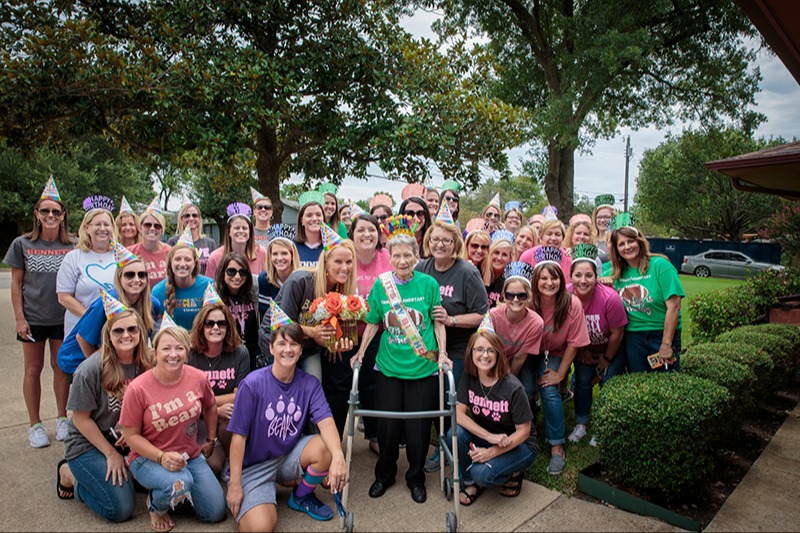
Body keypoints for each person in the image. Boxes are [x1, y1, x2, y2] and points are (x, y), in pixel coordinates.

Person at [351, 225, 449, 504]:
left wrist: (442, 353)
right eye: (397, 255)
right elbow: (373, 322)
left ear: (417, 257)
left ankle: (416, 479)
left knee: (418, 431)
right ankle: (384, 475)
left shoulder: (429, 285)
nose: (402, 261)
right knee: (387, 428)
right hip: (388, 368)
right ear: (390, 257)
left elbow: (437, 322)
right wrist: (361, 352)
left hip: (422, 368)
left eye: (408, 255)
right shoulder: (382, 285)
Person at [226, 320, 348, 531]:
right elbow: (238, 437)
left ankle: (301, 496)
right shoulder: (252, 384)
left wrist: (338, 456)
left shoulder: (309, 383)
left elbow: (326, 422)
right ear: (271, 348)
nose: (288, 349)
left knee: (327, 447)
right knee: (260, 528)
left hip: (287, 455)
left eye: (294, 344)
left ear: (301, 349)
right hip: (253, 466)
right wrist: (235, 485)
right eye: (282, 343)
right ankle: (255, 493)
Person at [120, 318, 226, 532]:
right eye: (166, 348)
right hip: (148, 458)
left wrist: (211, 438)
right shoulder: (138, 389)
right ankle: (156, 505)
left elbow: (210, 406)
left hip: (189, 456)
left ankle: (178, 492)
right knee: (180, 483)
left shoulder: (198, 378)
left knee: (215, 513)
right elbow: (131, 436)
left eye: (179, 348)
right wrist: (161, 456)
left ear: (187, 352)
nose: (173, 354)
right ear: (155, 353)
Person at [56, 304, 153, 521]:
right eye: (118, 330)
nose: (126, 335)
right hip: (89, 443)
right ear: (108, 335)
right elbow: (81, 420)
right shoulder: (90, 369)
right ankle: (70, 476)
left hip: (128, 439)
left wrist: (132, 430)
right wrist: (111, 454)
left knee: (157, 481)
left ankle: (123, 474)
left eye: (132, 329)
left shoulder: (148, 363)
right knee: (120, 509)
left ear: (141, 332)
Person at [258, 225, 356, 434]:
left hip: (309, 347)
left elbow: (330, 329)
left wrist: (335, 343)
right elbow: (282, 326)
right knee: (284, 390)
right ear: (326, 263)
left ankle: (313, 440)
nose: (345, 267)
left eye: (349, 262)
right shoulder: (301, 280)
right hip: (278, 341)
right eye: (338, 262)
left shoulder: (340, 290)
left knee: (314, 388)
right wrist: (312, 333)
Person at [3, 177, 76, 448]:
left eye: (56, 211)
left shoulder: (73, 244)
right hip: (33, 318)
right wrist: (19, 318)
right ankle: (35, 424)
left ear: (63, 215)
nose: (50, 215)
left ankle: (62, 418)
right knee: (33, 369)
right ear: (36, 214)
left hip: (62, 319)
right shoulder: (22, 244)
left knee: (61, 368)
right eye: (45, 210)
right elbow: (16, 283)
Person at [416, 212, 489, 473]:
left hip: (458, 347)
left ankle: (447, 446)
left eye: (446, 240)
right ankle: (427, 443)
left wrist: (451, 320)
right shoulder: (421, 268)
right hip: (427, 345)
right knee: (426, 397)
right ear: (428, 241)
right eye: (435, 239)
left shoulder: (467, 272)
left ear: (455, 243)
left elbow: (482, 314)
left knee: (449, 397)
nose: (440, 244)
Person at [447, 326, 537, 505]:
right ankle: (471, 482)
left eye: (490, 350)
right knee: (454, 434)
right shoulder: (469, 376)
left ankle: (514, 472)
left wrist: (491, 453)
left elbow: (524, 432)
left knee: (482, 474)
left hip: (518, 444)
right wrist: (488, 437)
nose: (485, 355)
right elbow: (458, 414)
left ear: (498, 355)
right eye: (479, 349)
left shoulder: (513, 387)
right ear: (471, 352)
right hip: (490, 436)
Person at [58, 243, 161, 379]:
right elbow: (82, 338)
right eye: (130, 275)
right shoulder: (106, 302)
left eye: (141, 275)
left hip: (116, 358)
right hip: (78, 357)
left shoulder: (152, 303)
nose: (136, 280)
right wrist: (101, 370)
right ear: (119, 278)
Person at [530, 255, 590, 476]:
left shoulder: (571, 303)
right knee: (525, 388)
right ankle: (526, 434)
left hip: (554, 352)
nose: (549, 283)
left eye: (554, 278)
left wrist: (561, 374)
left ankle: (557, 445)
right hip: (527, 351)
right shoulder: (528, 300)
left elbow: (574, 343)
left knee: (548, 389)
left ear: (561, 280)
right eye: (544, 278)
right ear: (536, 281)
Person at [605, 212, 684, 373]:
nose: (627, 247)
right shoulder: (614, 272)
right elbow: (586, 279)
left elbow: (674, 307)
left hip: (663, 332)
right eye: (621, 244)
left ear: (639, 242)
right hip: (634, 337)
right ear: (616, 249)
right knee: (638, 379)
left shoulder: (660, 266)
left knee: (666, 378)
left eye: (631, 241)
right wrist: (601, 280)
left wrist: (666, 343)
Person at [566, 244, 627, 445]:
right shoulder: (565, 296)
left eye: (589, 275)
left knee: (608, 382)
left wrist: (607, 358)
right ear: (571, 276)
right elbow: (566, 329)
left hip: (611, 348)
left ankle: (604, 425)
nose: (583, 281)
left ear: (596, 276)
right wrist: (582, 351)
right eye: (578, 275)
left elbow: (618, 333)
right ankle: (581, 422)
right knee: (583, 381)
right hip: (582, 348)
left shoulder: (610, 298)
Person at [188, 299, 250, 476]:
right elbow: (186, 399)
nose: (215, 328)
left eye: (221, 323)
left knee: (230, 416)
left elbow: (239, 395)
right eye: (209, 323)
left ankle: (233, 460)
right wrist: (213, 410)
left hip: (226, 419)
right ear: (201, 326)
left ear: (228, 327)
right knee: (212, 465)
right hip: (198, 418)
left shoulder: (240, 353)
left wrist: (210, 406)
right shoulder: (190, 355)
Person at [350, 213, 393, 455]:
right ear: (352, 235)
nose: (367, 234)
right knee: (345, 386)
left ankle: (375, 434)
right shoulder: (346, 256)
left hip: (379, 332)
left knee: (373, 385)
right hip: (345, 333)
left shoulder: (387, 257)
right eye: (361, 230)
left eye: (372, 230)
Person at [57, 196, 118, 337]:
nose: (102, 228)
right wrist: (92, 318)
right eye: (97, 224)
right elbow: (64, 297)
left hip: (114, 328)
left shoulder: (121, 256)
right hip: (80, 327)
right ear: (87, 228)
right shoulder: (73, 257)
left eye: (106, 224)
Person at [489, 262, 543, 411]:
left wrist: (508, 381)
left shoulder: (536, 323)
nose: (515, 300)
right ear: (503, 296)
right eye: (510, 295)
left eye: (521, 295)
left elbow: (520, 357)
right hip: (495, 358)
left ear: (529, 297)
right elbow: (487, 348)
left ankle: (529, 416)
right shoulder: (493, 316)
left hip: (520, 358)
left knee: (527, 390)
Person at [152, 237, 214, 330]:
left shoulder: (209, 286)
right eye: (177, 259)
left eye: (187, 259)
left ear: (195, 263)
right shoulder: (158, 291)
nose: (182, 264)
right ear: (170, 263)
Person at [214, 252, 261, 369]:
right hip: (227, 352)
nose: (237, 277)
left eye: (242, 272)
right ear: (223, 272)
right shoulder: (214, 294)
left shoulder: (255, 289)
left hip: (254, 351)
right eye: (231, 271)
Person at [206, 203, 268, 280]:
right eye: (237, 228)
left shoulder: (262, 253)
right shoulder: (215, 257)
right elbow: (210, 285)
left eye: (244, 228)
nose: (241, 231)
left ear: (250, 231)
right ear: (229, 231)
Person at [257, 225, 300, 334]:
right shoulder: (264, 279)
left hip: (299, 332)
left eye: (284, 253)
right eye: (275, 254)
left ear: (292, 255)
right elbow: (265, 317)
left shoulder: (302, 279)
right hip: (273, 333)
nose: (279, 258)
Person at [166, 200, 217, 275]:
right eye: (187, 216)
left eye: (194, 215)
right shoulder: (172, 242)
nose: (191, 218)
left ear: (199, 219)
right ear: (181, 219)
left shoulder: (210, 243)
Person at [129, 209, 171, 288]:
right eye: (147, 225)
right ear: (140, 228)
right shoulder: (130, 252)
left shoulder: (170, 252)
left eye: (157, 226)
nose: (152, 228)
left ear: (162, 230)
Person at [481, 230, 515, 308]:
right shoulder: (479, 272)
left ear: (510, 259)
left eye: (504, 255)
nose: (499, 258)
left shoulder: (510, 282)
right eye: (496, 253)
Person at [294, 192, 326, 267]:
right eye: (309, 215)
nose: (314, 218)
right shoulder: (292, 247)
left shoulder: (331, 246)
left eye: (318, 215)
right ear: (301, 220)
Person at [592, 195, 617, 265]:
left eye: (607, 217)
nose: (602, 220)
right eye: (599, 217)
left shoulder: (616, 239)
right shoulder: (590, 239)